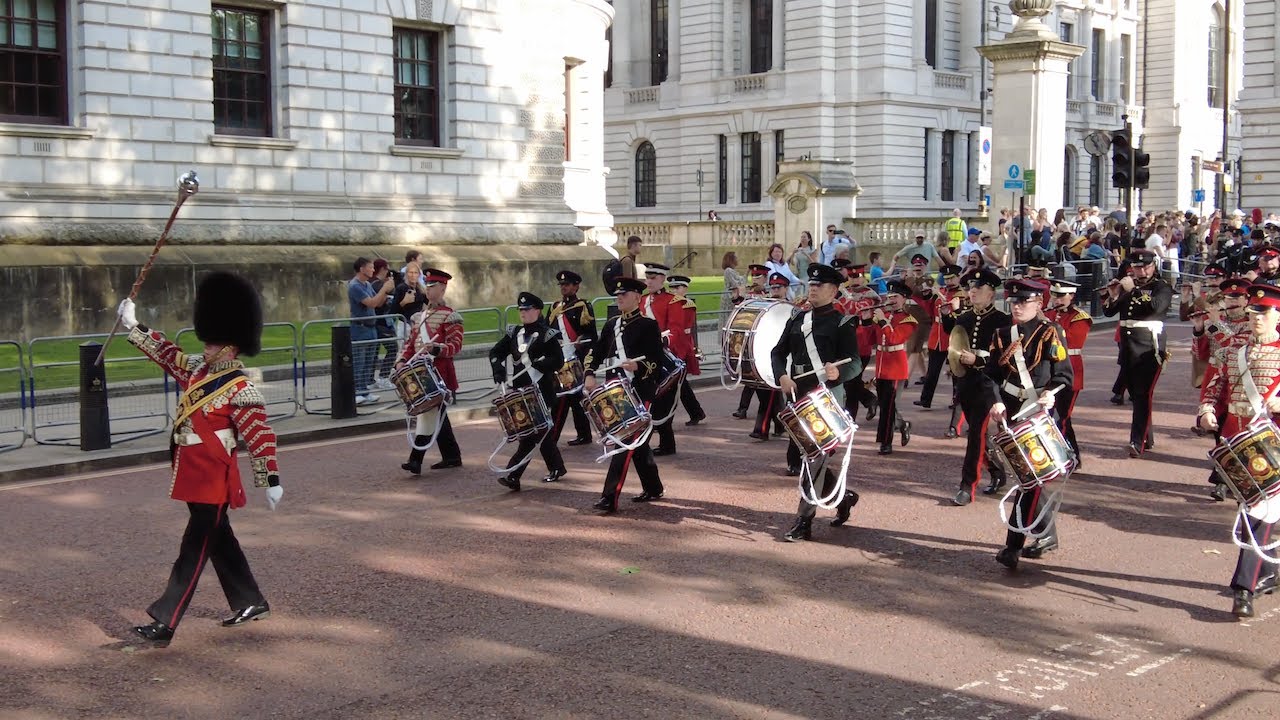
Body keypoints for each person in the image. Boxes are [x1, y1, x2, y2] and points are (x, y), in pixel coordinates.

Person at [116, 273, 282, 648]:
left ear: (231, 347)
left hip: (213, 481)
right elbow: (166, 353)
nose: (206, 346)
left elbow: (260, 436)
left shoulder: (241, 388)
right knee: (219, 541)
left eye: (214, 342)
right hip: (191, 475)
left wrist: (271, 481)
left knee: (193, 549)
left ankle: (165, 620)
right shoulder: (197, 371)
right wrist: (134, 323)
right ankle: (251, 601)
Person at [1196, 283, 1280, 618]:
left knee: (1258, 513)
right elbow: (1214, 385)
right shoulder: (1235, 351)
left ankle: (1243, 586)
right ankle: (1268, 572)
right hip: (1237, 443)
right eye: (1254, 311)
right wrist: (1206, 410)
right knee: (1257, 510)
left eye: (1265, 312)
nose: (1257, 318)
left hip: (1273, 444)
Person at [988, 279, 1074, 570]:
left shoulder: (1051, 332)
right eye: (1014, 302)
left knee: (1031, 481)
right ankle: (1046, 535)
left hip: (1038, 411)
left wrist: (1052, 393)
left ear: (1039, 303)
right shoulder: (1002, 334)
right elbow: (990, 376)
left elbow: (1064, 376)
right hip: (1011, 410)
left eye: (1024, 302)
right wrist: (996, 400)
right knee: (1028, 480)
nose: (1017, 306)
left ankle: (1013, 545)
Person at [774, 263, 862, 541]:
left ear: (834, 290)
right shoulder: (798, 319)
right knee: (810, 458)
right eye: (811, 284)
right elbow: (778, 352)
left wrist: (840, 372)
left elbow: (856, 362)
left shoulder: (842, 322)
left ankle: (804, 521)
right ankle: (843, 497)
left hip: (826, 395)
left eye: (819, 285)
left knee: (814, 458)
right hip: (798, 393)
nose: (812, 288)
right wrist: (782, 376)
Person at [584, 277, 669, 513]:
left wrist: (639, 367)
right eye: (617, 295)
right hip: (616, 392)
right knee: (636, 444)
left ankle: (609, 497)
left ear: (637, 298)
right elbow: (596, 352)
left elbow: (657, 362)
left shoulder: (648, 326)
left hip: (639, 391)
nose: (619, 298)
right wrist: (589, 373)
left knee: (623, 444)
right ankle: (653, 487)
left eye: (624, 294)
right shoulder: (611, 325)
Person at [944, 269, 1012, 505]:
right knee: (977, 434)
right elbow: (954, 343)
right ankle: (996, 470)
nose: (972, 292)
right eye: (971, 288)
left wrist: (979, 361)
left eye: (978, 288)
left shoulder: (1003, 321)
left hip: (987, 385)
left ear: (991, 294)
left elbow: (1004, 358)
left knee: (975, 435)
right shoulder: (963, 318)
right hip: (965, 382)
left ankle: (966, 486)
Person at [489, 292, 567, 491]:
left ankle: (513, 475)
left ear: (537, 311)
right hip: (521, 392)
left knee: (530, 435)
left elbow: (558, 361)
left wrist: (543, 364)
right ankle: (557, 467)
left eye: (527, 309)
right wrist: (498, 370)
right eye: (521, 309)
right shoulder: (514, 333)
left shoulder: (548, 334)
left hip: (541, 392)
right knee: (540, 433)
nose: (523, 312)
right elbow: (496, 353)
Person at [1102, 249, 1173, 457]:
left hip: (1149, 348)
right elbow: (1109, 312)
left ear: (1153, 266)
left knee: (1142, 394)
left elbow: (1155, 308)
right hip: (1128, 347)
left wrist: (1133, 291)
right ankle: (1146, 436)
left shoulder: (1162, 287)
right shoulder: (1128, 286)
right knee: (1136, 394)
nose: (1140, 271)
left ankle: (1136, 440)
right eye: (1136, 267)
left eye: (1145, 267)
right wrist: (1113, 295)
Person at [398, 268, 464, 473]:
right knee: (437, 417)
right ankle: (452, 456)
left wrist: (436, 348)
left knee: (428, 415)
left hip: (439, 376)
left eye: (433, 286)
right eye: (427, 286)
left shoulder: (451, 316)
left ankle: (415, 460)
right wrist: (400, 362)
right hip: (421, 375)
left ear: (443, 288)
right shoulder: (419, 316)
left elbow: (456, 346)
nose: (428, 290)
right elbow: (410, 344)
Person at [545, 269, 597, 448]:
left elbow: (591, 333)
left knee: (570, 400)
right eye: (562, 285)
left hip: (575, 359)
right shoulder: (554, 307)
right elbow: (547, 331)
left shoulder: (582, 306)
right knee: (565, 399)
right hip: (559, 358)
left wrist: (581, 341)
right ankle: (581, 435)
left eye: (567, 285)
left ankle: (554, 437)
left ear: (576, 287)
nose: (563, 288)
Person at [1044, 280, 1091, 466]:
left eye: (1062, 296)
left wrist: (1046, 323)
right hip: (1049, 370)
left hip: (1070, 370)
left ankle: (1070, 456)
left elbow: (1071, 340)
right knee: (1046, 416)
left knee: (1063, 417)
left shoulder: (1080, 317)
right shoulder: (1049, 314)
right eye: (1054, 295)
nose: (1057, 300)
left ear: (1071, 296)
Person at [638, 263, 682, 456]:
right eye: (647, 278)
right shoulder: (642, 300)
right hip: (645, 359)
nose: (649, 281)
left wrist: (660, 340)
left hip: (664, 357)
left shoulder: (672, 301)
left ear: (663, 279)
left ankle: (667, 443)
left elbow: (676, 330)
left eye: (653, 278)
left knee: (663, 400)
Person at [872, 281, 915, 455]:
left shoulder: (908, 319)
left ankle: (886, 442)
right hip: (882, 365)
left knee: (888, 408)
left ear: (903, 299)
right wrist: (867, 321)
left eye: (895, 297)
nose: (891, 300)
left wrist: (882, 320)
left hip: (896, 367)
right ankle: (902, 425)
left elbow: (894, 338)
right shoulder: (884, 316)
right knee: (884, 405)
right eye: (889, 297)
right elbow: (872, 339)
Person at [751, 273, 793, 443]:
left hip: (785, 356)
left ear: (786, 288)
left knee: (770, 393)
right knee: (767, 392)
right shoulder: (765, 305)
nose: (775, 291)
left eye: (779, 287)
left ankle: (761, 428)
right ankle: (780, 424)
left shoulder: (794, 306)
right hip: (766, 353)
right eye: (773, 287)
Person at [348, 257, 394, 405]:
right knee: (359, 362)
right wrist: (384, 289)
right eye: (370, 267)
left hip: (371, 327)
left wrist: (386, 293)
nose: (373, 270)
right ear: (362, 269)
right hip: (360, 329)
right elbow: (372, 303)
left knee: (369, 362)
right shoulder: (355, 286)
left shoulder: (367, 284)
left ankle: (365, 391)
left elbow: (378, 302)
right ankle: (356, 392)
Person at [917, 264, 963, 409]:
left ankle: (956, 400)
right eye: (947, 279)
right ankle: (926, 399)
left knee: (956, 372)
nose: (949, 282)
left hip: (953, 335)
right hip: (937, 335)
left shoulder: (963, 295)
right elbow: (929, 309)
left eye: (952, 278)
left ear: (958, 278)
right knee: (932, 371)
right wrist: (926, 295)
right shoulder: (940, 292)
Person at [666, 274, 706, 426]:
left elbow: (680, 328)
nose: (674, 291)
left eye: (678, 287)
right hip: (672, 345)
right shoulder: (671, 304)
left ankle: (666, 420)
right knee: (679, 384)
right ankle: (696, 412)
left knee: (676, 384)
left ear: (685, 289)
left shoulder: (686, 304)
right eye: (672, 288)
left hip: (681, 345)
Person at [370, 259, 399, 391]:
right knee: (393, 348)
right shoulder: (378, 284)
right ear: (382, 269)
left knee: (374, 352)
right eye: (387, 269)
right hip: (381, 322)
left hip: (376, 322)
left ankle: (370, 379)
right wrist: (387, 291)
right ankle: (383, 377)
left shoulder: (371, 283)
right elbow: (380, 303)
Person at [720, 251, 747, 324]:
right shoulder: (728, 271)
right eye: (736, 258)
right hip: (730, 296)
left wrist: (747, 273)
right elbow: (735, 283)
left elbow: (740, 280)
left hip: (733, 295)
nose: (738, 260)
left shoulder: (732, 271)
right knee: (728, 316)